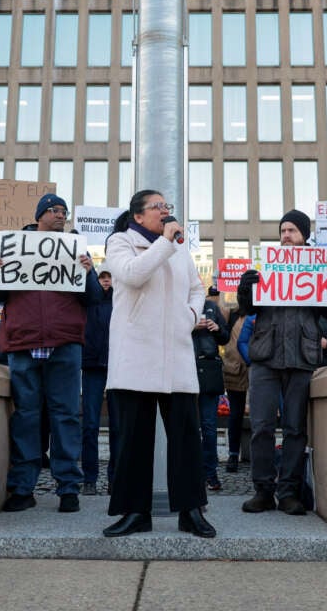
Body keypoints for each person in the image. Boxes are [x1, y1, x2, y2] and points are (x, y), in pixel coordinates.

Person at [102, 190, 213, 538]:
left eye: (168, 207)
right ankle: (135, 512)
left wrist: (190, 314)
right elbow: (133, 275)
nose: (166, 212)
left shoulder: (180, 250)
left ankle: (191, 511)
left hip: (176, 353)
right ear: (138, 216)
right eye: (158, 207)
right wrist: (165, 243)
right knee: (134, 439)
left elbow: (197, 288)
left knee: (185, 438)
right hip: (136, 355)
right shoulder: (121, 242)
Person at [0, 194, 100, 514]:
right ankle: (23, 488)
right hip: (24, 344)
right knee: (26, 417)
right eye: (54, 210)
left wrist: (89, 272)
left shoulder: (76, 249)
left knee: (65, 416)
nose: (61, 215)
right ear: (39, 216)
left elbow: (94, 298)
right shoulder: (12, 248)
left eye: (64, 211)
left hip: (64, 344)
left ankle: (68, 488)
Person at [238, 210, 327, 516]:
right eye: (282, 230)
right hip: (266, 357)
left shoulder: (320, 268)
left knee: (295, 429)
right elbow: (248, 307)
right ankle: (263, 491)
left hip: (301, 357)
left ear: (304, 235)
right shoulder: (268, 266)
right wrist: (246, 287)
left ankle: (289, 492)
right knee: (261, 427)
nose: (285, 236)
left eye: (291, 230)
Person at [81, 268, 114, 496]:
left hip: (116, 367)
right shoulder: (87, 300)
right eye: (101, 277)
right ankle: (89, 478)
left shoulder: (121, 300)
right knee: (90, 425)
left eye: (108, 277)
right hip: (92, 365)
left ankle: (116, 479)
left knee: (118, 427)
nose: (105, 281)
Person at [194, 286, 230, 492]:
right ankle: (190, 472)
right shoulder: (179, 304)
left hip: (208, 370)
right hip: (186, 368)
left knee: (208, 426)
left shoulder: (211, 307)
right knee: (187, 426)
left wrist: (217, 328)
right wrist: (190, 326)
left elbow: (225, 338)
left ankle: (210, 473)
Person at [222, 313, 252, 473]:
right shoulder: (233, 315)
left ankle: (261, 455)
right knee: (235, 414)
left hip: (257, 370)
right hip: (235, 371)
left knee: (261, 415)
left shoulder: (264, 312)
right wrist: (215, 292)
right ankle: (233, 454)